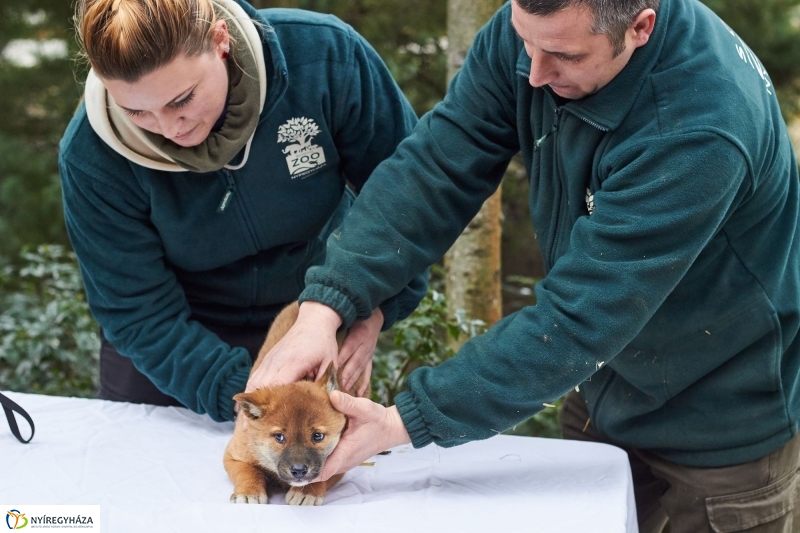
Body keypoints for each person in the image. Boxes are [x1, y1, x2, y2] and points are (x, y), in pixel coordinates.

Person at [248, 0, 800, 531]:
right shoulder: (542, 30)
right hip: (602, 391)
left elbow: (577, 320)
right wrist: (327, 305)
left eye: (565, 57)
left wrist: (400, 422)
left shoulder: (700, 128)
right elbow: (440, 164)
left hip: (722, 427)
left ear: (640, 28)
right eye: (525, 43)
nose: (533, 73)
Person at [59, 0, 427, 422]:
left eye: (183, 99)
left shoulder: (325, 57)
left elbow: (408, 195)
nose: (169, 128)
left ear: (220, 41)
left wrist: (376, 304)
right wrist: (250, 396)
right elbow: (137, 311)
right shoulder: (91, 155)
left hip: (314, 318)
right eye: (137, 111)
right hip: (168, 356)